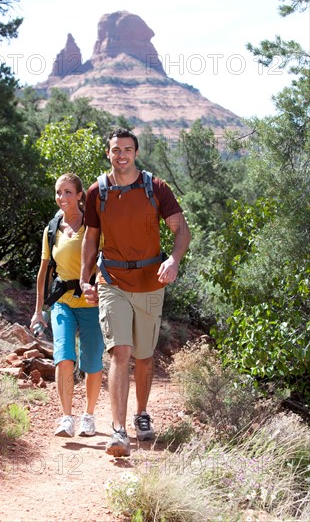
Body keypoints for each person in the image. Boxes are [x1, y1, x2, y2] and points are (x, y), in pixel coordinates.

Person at [80, 128, 191, 457]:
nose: (121, 154)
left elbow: (181, 229)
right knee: (120, 352)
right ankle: (118, 430)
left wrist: (173, 259)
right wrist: (85, 279)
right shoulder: (96, 192)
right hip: (111, 279)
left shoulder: (155, 188)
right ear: (108, 153)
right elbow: (90, 238)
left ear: (136, 153)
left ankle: (141, 413)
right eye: (116, 150)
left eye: (127, 149)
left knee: (144, 357)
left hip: (150, 281)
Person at [31, 173, 104, 439]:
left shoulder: (94, 227)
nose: (62, 198)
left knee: (92, 362)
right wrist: (38, 312)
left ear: (80, 195)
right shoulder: (51, 229)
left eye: (68, 192)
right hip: (61, 303)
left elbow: (104, 265)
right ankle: (66, 418)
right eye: (59, 192)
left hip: (91, 304)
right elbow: (43, 273)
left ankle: (89, 416)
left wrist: (100, 290)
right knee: (63, 358)